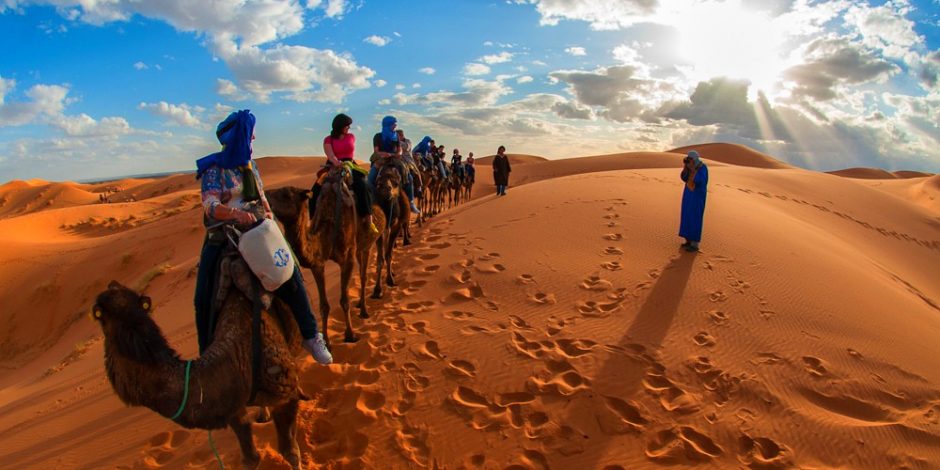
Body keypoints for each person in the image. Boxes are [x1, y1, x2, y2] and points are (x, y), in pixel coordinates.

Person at [194, 109, 332, 365]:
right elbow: (209, 205)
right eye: (250, 133)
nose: (254, 137)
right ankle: (207, 359)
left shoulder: (250, 166)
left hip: (258, 228)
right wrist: (234, 213)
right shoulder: (214, 169)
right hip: (224, 233)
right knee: (202, 299)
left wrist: (270, 219)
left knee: (292, 272)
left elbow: (261, 196)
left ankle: (311, 334)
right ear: (239, 136)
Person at [309, 113, 378, 234]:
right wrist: (337, 162)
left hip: (350, 164)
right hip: (333, 164)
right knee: (315, 189)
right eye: (347, 126)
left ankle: (368, 219)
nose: (349, 128)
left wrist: (345, 163)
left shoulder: (351, 136)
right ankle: (311, 221)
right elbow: (330, 154)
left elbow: (349, 152)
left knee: (363, 185)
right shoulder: (328, 139)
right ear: (339, 126)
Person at [368, 116, 420, 214]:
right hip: (381, 159)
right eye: (393, 124)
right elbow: (376, 151)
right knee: (370, 179)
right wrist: (384, 154)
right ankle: (371, 202)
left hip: (394, 160)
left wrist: (392, 154)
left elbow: (399, 151)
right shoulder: (378, 136)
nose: (395, 126)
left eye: (395, 125)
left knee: (409, 177)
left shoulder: (395, 136)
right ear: (387, 124)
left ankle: (411, 202)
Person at [679, 150, 708, 252]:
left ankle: (694, 244)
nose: (689, 161)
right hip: (688, 194)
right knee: (686, 215)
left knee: (695, 217)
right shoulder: (689, 167)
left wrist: (693, 170)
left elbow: (700, 181)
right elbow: (683, 177)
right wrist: (686, 169)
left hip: (697, 196)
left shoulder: (702, 167)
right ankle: (688, 240)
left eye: (690, 159)